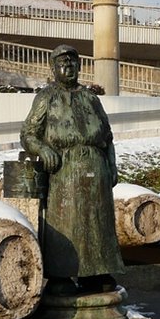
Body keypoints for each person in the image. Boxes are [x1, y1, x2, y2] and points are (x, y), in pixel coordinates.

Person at [20, 45, 123, 295]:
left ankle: (97, 271)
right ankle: (61, 273)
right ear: (54, 68)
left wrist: (111, 166)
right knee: (65, 222)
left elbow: (107, 137)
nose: (69, 68)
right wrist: (43, 149)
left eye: (73, 64)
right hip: (64, 170)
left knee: (97, 223)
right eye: (63, 64)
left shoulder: (91, 99)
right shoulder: (46, 97)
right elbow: (28, 134)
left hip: (95, 167)